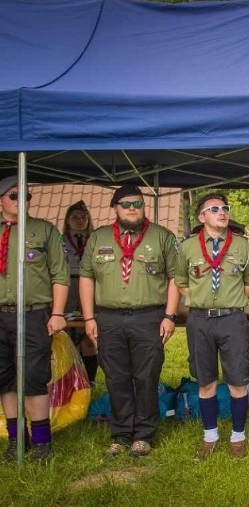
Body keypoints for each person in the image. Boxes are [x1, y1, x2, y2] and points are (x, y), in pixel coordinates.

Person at [79, 184, 179, 458]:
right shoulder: (98, 238)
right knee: (116, 376)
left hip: (148, 317)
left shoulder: (162, 236)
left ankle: (144, 434)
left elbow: (175, 278)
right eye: (126, 204)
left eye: (137, 203)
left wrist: (169, 316)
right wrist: (89, 317)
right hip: (108, 318)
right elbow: (86, 277)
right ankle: (121, 433)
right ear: (115, 208)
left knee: (147, 376)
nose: (133, 208)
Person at [176, 193, 249, 461]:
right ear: (202, 217)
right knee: (206, 381)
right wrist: (200, 300)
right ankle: (209, 436)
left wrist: (229, 301)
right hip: (199, 319)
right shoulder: (187, 247)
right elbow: (181, 280)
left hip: (231, 319)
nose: (222, 212)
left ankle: (238, 437)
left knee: (237, 381)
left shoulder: (242, 246)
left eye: (225, 208)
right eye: (214, 209)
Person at [0, 176, 69, 462]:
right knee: (4, 379)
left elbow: (60, 274)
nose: (21, 200)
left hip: (33, 314)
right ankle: (17, 441)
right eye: (14, 195)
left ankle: (42, 442)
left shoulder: (44, 231)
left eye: (26, 195)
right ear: (1, 199)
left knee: (33, 377)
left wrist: (57, 313)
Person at [61, 200, 98, 382]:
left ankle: (88, 381)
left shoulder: (96, 240)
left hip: (91, 286)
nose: (79, 221)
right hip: (67, 287)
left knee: (89, 337)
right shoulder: (58, 241)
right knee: (66, 336)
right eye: (74, 217)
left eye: (83, 217)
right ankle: (68, 380)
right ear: (67, 221)